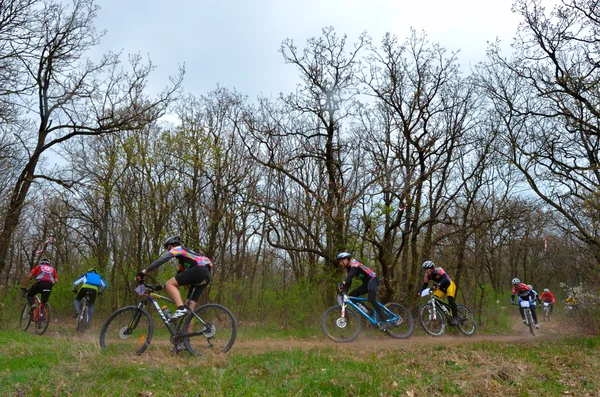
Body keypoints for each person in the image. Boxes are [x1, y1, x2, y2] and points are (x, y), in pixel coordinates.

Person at [137, 236, 212, 321]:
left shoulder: (178, 248)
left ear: (170, 246)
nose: (168, 251)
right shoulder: (185, 258)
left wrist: (144, 271)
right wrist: (161, 287)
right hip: (206, 274)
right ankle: (187, 333)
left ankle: (180, 308)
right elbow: (178, 277)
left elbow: (162, 259)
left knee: (170, 284)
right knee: (189, 308)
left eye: (167, 248)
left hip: (199, 270)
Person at [336, 252, 389, 331]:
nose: (340, 263)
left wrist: (344, 282)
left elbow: (351, 275)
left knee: (371, 298)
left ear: (346, 259)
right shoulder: (347, 269)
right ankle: (369, 312)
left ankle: (385, 322)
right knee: (352, 297)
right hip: (367, 283)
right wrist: (344, 292)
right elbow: (349, 282)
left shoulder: (355, 263)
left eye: (340, 261)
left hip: (373, 279)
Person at [417, 260, 459, 325]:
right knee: (434, 298)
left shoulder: (439, 270)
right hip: (441, 288)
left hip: (449, 285)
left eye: (427, 269)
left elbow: (445, 278)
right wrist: (420, 291)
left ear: (431, 268)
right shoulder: (427, 276)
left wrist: (439, 284)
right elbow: (425, 285)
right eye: (425, 269)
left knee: (450, 300)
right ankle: (447, 310)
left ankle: (456, 318)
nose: (426, 271)